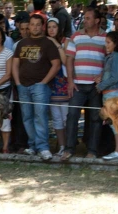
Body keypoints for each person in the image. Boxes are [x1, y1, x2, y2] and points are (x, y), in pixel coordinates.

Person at [13, 14, 61, 160]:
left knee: (40, 117)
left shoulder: (48, 43)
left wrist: (44, 82)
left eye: (37, 24)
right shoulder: (22, 43)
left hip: (40, 86)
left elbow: (56, 64)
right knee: (27, 117)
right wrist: (18, 82)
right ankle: (33, 146)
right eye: (32, 24)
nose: (34, 27)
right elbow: (15, 64)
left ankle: (43, 147)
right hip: (23, 86)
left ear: (42, 26)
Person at [61, 8, 106, 161]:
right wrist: (70, 81)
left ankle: (92, 151)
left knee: (95, 117)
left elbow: (109, 59)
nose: (84, 20)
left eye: (88, 18)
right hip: (78, 85)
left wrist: (102, 75)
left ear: (97, 20)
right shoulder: (76, 36)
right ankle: (69, 149)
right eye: (84, 18)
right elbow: (69, 60)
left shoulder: (105, 37)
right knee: (72, 115)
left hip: (96, 87)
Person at [97, 31, 118, 160]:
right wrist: (100, 79)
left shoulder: (117, 57)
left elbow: (115, 77)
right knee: (115, 124)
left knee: (116, 125)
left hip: (114, 94)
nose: (106, 45)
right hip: (109, 94)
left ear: (116, 43)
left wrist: (101, 85)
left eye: (108, 42)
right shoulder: (110, 57)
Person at [46, 17, 69, 156]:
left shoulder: (66, 41)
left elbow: (66, 61)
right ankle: (61, 146)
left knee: (66, 117)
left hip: (64, 83)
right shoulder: (44, 42)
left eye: (54, 27)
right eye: (49, 27)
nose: (51, 29)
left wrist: (55, 43)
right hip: (51, 84)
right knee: (56, 119)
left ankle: (68, 145)